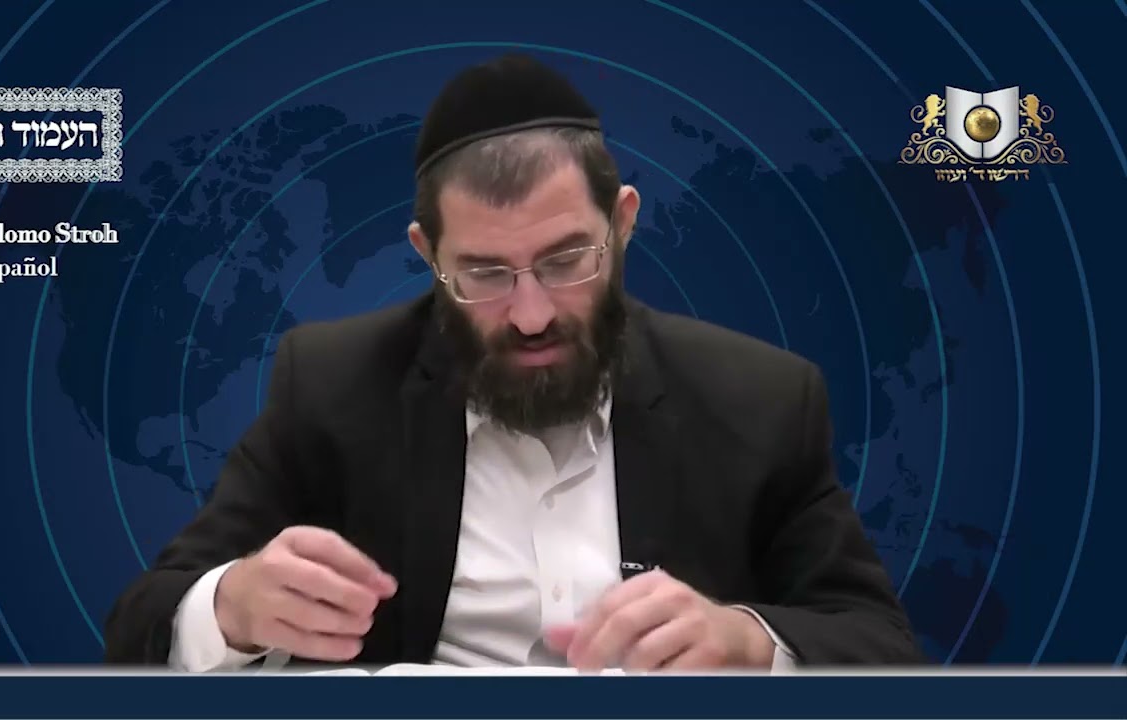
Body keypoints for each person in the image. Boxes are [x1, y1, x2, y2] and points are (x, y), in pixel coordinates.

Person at [103, 53, 924, 672]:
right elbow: (142, 620)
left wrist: (746, 640)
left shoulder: (762, 400)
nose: (531, 314)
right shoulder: (330, 382)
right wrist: (235, 605)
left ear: (623, 224)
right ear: (428, 255)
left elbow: (882, 646)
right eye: (485, 274)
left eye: (568, 261)